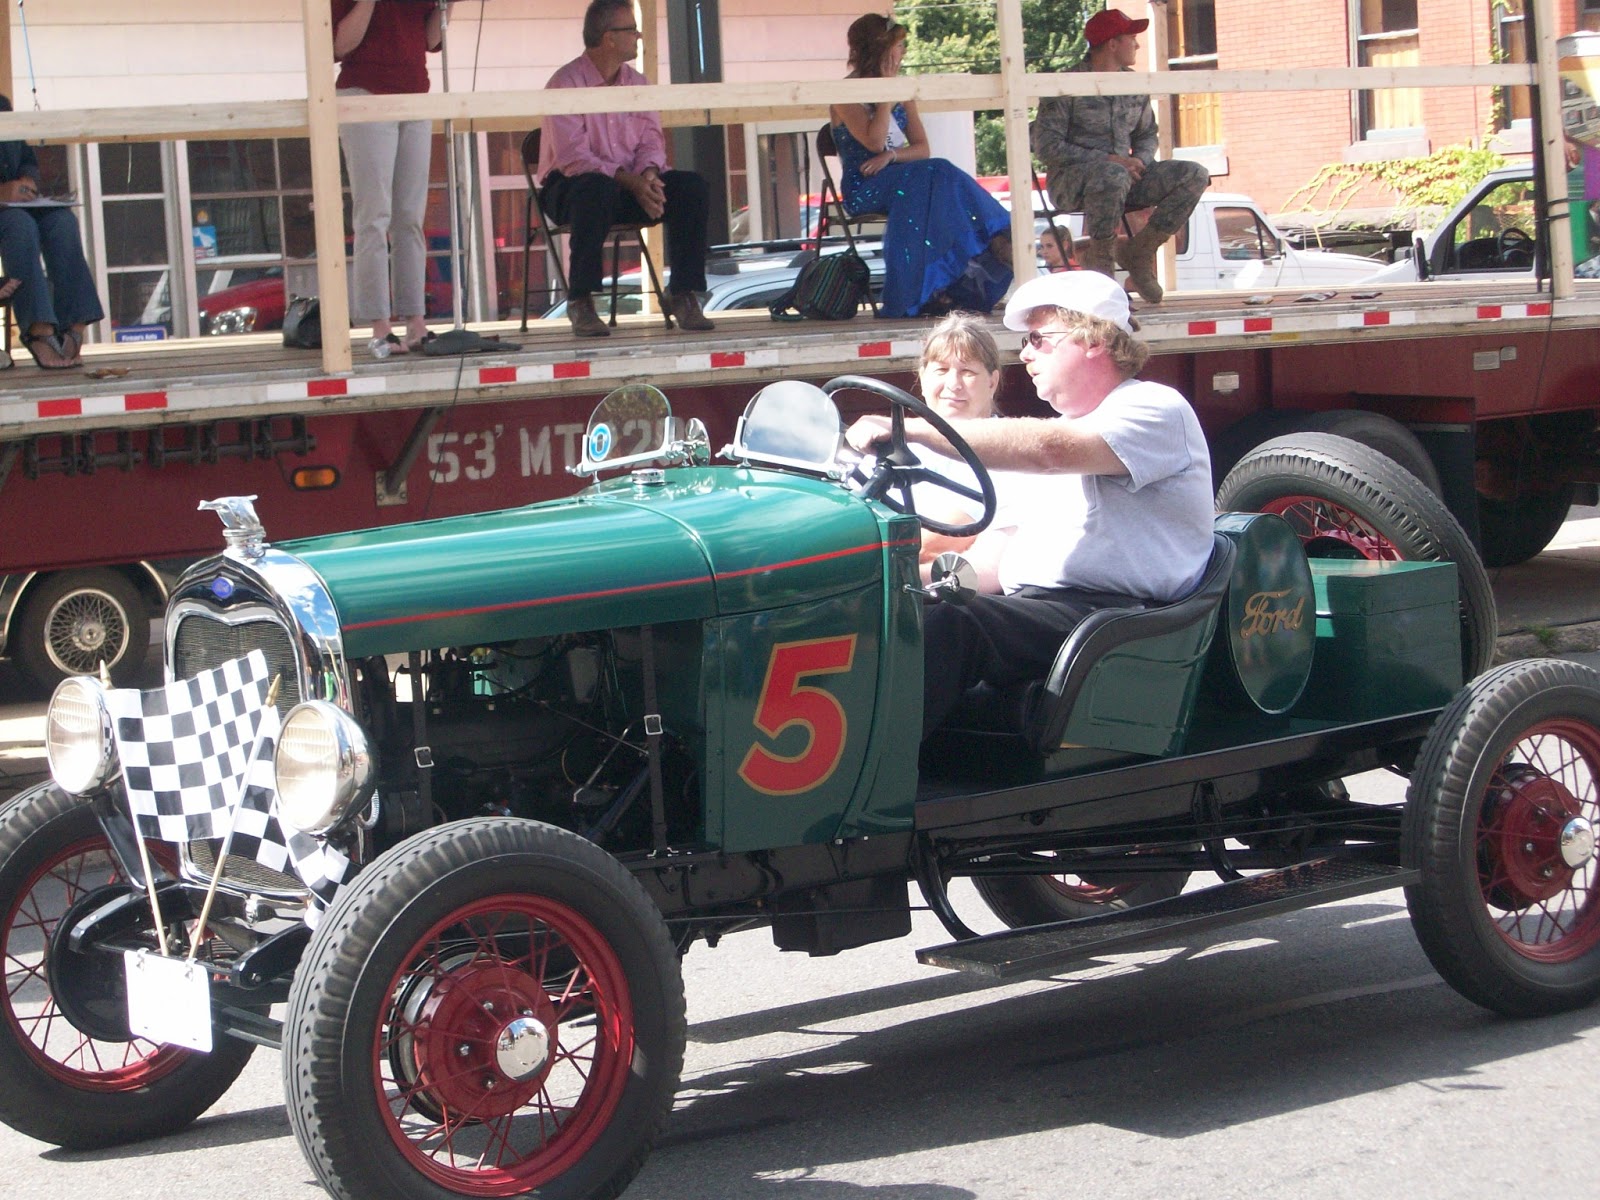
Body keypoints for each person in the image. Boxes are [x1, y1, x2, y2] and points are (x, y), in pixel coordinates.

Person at [846, 271, 1214, 737]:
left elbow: (1048, 449)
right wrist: (882, 581)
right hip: (1046, 610)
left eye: (1038, 339)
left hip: (1114, 621)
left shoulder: (1154, 408)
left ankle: (870, 768)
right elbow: (989, 569)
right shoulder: (1070, 431)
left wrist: (910, 429)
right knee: (893, 612)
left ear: (1093, 339)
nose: (1024, 354)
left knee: (952, 623)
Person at [537, 0, 715, 339]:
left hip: (629, 186)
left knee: (691, 187)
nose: (638, 36)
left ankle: (683, 293)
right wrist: (631, 182)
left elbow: (651, 140)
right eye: (631, 29)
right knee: (595, 187)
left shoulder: (638, 83)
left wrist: (649, 175)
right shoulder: (565, 83)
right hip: (571, 189)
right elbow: (574, 158)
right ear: (609, 38)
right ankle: (581, 300)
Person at [828, 13, 1013, 319]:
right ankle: (994, 232)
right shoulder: (845, 94)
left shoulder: (904, 91)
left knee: (935, 171)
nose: (902, 53)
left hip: (903, 178)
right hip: (865, 184)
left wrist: (892, 156)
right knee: (930, 176)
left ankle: (937, 288)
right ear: (880, 50)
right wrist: (886, 96)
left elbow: (921, 149)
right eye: (898, 46)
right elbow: (874, 141)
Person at [1031, 7, 1210, 303]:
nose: (1137, 45)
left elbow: (1147, 133)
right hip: (1072, 184)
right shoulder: (1066, 85)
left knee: (1194, 174)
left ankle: (1140, 252)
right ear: (1112, 44)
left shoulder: (1133, 84)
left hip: (1125, 177)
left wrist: (1140, 160)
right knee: (1113, 174)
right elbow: (1047, 146)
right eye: (1131, 38)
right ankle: (1102, 268)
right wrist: (1108, 160)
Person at [333, 0, 445, 357]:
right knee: (374, 215)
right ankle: (380, 325)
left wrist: (447, 6)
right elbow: (339, 44)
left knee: (409, 216)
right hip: (365, 93)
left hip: (414, 93)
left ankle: (415, 321)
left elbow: (430, 39)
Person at [0, 95, 103, 369]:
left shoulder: (2, 106)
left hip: (14, 205)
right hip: (9, 215)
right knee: (19, 225)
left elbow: (26, 158)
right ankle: (39, 329)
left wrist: (28, 181)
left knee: (62, 221)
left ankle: (74, 325)